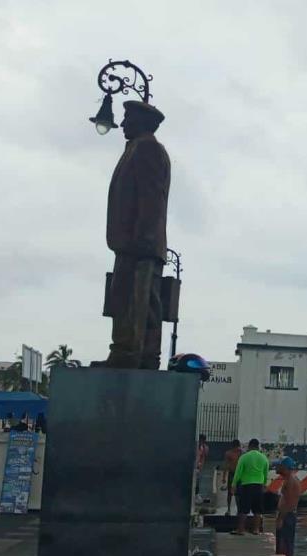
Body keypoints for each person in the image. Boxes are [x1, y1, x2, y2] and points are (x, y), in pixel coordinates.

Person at [101, 100, 171, 370]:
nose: (123, 124)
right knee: (133, 299)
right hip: (134, 243)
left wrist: (141, 240)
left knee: (135, 300)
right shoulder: (136, 148)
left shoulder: (148, 149)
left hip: (139, 244)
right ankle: (131, 351)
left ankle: (129, 352)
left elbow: (151, 198)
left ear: (142, 122)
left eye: (128, 118)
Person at [271, 457, 303, 556]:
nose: (277, 468)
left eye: (279, 466)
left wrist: (281, 518)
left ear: (285, 468)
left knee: (288, 542)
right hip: (286, 514)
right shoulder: (288, 479)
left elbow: (289, 503)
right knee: (285, 541)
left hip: (288, 515)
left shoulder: (291, 481)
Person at [231, 439, 269, 536]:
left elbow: (238, 472)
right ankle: (256, 529)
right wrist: (264, 484)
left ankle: (241, 529)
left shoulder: (244, 457)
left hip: (247, 485)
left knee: (243, 509)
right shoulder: (264, 458)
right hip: (259, 486)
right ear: (258, 446)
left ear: (250, 446)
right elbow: (266, 473)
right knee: (257, 509)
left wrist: (234, 484)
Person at [222, 439, 243, 516]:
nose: (237, 449)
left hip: (240, 475)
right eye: (236, 448)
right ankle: (228, 509)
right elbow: (226, 465)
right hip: (232, 474)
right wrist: (224, 477)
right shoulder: (228, 453)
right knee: (230, 493)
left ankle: (238, 510)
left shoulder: (242, 453)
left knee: (239, 493)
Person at [195, 434, 209, 505]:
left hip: (197, 467)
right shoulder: (195, 446)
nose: (202, 442)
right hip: (193, 466)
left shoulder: (203, 447)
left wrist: (200, 467)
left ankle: (196, 495)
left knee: (197, 481)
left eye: (203, 441)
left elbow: (203, 457)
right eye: (202, 440)